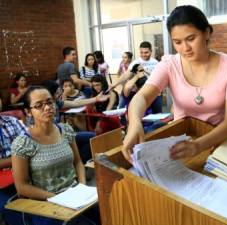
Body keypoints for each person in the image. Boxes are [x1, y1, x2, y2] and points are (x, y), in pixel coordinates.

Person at [121, 5, 227, 163]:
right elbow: (142, 97)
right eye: (177, 42)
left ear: (206, 32)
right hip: (181, 143)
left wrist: (199, 146)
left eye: (191, 39)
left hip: (217, 142)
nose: (185, 48)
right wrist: (135, 122)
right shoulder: (169, 64)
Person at [11, 86, 99, 225]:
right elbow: (22, 186)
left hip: (75, 195)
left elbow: (77, 163)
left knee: (109, 213)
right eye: (39, 105)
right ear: (28, 112)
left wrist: (81, 186)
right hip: (46, 203)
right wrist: (57, 198)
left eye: (49, 102)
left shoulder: (65, 130)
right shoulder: (23, 143)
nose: (47, 108)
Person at [112, 42, 163, 113]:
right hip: (141, 91)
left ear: (151, 51)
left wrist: (145, 70)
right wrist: (115, 84)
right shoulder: (136, 62)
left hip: (155, 93)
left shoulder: (155, 62)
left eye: (146, 52)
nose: (143, 55)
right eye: (141, 52)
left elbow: (159, 78)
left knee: (157, 115)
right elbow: (126, 75)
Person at [0, 115, 25, 225]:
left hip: (22, 169)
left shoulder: (11, 121)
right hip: (2, 181)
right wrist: (18, 158)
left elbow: (30, 145)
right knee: (9, 206)